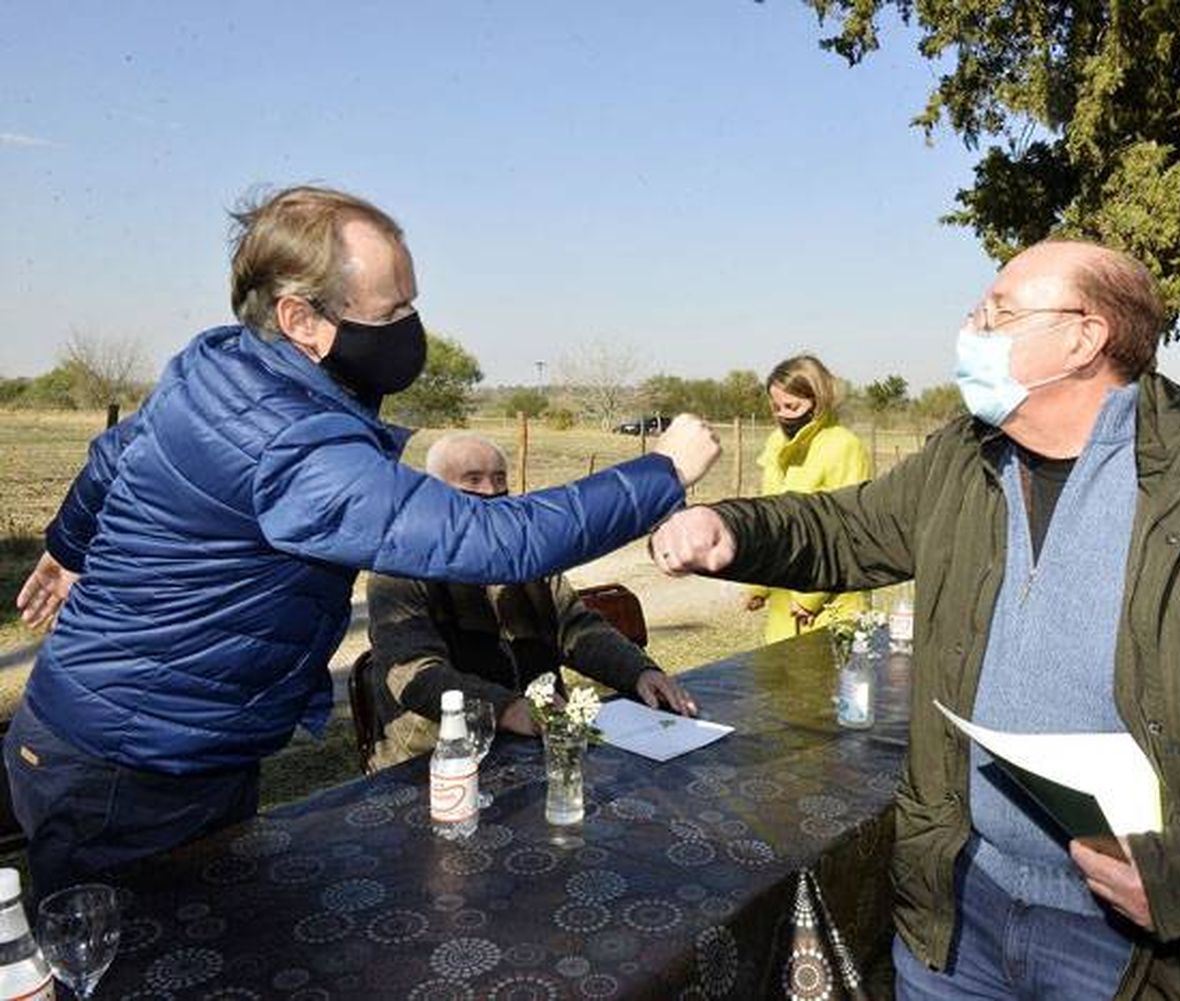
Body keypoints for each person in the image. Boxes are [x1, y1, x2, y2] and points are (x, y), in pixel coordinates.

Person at [649, 240, 1180, 999]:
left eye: (997, 313)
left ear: (1083, 337)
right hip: (960, 913)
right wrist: (733, 529)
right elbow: (848, 527)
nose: (971, 327)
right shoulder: (964, 459)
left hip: (1132, 945)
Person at [6, 185, 719, 899]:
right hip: (130, 772)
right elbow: (498, 538)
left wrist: (68, 547)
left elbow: (112, 456)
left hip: (175, 747)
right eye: (393, 310)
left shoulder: (219, 363)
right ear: (300, 318)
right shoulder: (291, 444)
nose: (412, 327)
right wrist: (664, 471)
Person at [363, 432, 696, 770]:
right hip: (438, 757)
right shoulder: (400, 569)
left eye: (499, 478)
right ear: (436, 493)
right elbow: (413, 674)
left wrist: (638, 671)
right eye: (473, 480)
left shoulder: (528, 558)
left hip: (534, 743)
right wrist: (506, 708)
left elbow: (577, 629)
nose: (491, 491)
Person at [742, 354, 872, 643]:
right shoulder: (776, 444)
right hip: (782, 604)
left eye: (792, 406)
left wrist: (811, 598)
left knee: (828, 684)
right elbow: (768, 523)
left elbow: (849, 530)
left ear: (818, 400)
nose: (783, 414)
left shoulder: (844, 446)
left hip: (832, 605)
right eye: (776, 406)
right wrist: (758, 585)